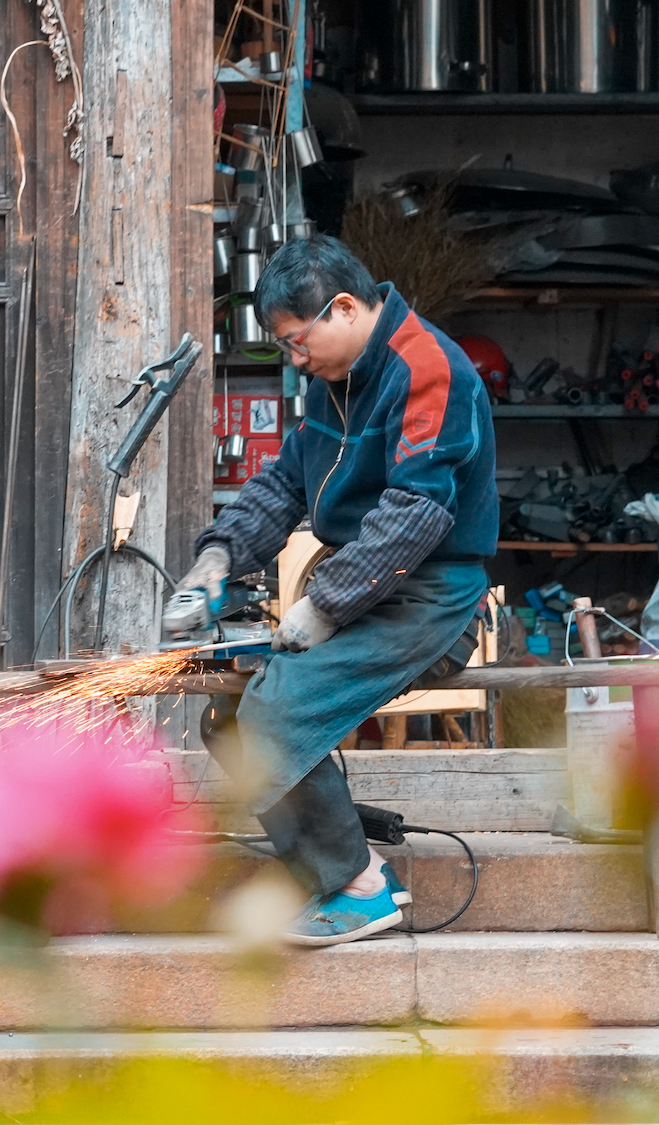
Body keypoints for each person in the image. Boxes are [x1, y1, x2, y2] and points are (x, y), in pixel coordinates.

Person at [185, 235, 497, 945]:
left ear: (346, 307)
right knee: (227, 719)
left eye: (298, 341)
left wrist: (325, 604)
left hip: (432, 597)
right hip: (366, 584)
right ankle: (333, 864)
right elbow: (286, 482)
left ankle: (360, 889)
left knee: (275, 711)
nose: (294, 359)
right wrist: (216, 557)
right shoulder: (334, 382)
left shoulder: (428, 369)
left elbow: (417, 513)